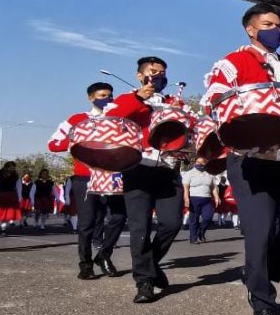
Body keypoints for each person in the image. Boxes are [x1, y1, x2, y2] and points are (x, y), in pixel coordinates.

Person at [200, 3, 280, 315]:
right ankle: (262, 300)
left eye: (278, 24)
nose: (275, 29)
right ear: (251, 29)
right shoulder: (233, 62)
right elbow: (213, 99)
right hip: (249, 160)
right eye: (268, 24)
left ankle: (256, 275)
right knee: (260, 231)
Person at [107, 56, 185, 304]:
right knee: (140, 227)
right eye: (153, 72)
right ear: (140, 75)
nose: (158, 76)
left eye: (163, 73)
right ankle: (144, 281)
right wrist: (139, 97)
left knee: (171, 224)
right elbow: (111, 119)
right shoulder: (127, 99)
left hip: (167, 169)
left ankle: (150, 264)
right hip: (138, 168)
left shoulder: (174, 102)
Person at [49, 81, 127, 279]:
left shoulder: (119, 119)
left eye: (110, 95)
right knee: (87, 223)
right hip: (85, 177)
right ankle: (85, 265)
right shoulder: (77, 119)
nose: (107, 99)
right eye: (102, 95)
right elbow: (54, 144)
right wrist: (79, 138)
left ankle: (104, 255)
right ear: (91, 98)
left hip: (113, 175)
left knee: (119, 216)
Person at [183, 158, 219, 244]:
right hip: (194, 199)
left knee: (208, 217)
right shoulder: (190, 173)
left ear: (205, 163)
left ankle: (201, 232)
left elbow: (213, 187)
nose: (199, 164)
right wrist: (186, 198)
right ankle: (193, 238)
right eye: (197, 162)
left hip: (207, 199)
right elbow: (186, 187)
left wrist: (217, 197)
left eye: (201, 162)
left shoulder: (209, 174)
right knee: (194, 219)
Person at [0, 161, 23, 235]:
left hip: (11, 196)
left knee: (6, 215)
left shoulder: (16, 175)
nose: (12, 169)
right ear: (6, 167)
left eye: (13, 167)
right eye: (10, 167)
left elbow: (19, 187)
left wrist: (19, 197)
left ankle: (3, 229)